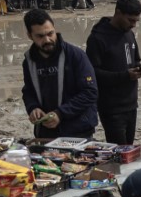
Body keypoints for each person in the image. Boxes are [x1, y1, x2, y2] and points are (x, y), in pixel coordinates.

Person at [21, 8, 98, 139]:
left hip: (78, 132)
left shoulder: (75, 55)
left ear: (54, 29)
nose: (47, 40)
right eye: (40, 36)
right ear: (30, 35)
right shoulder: (29, 61)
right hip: (46, 134)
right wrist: (33, 108)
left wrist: (60, 113)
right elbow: (28, 91)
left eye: (50, 33)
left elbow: (90, 92)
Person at [86, 0, 141, 145]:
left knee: (129, 150)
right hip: (111, 107)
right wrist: (125, 76)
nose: (133, 24)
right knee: (119, 153)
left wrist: (140, 69)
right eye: (130, 20)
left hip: (131, 103)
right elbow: (92, 73)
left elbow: (135, 60)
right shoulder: (98, 38)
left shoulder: (129, 34)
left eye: (136, 21)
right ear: (118, 13)